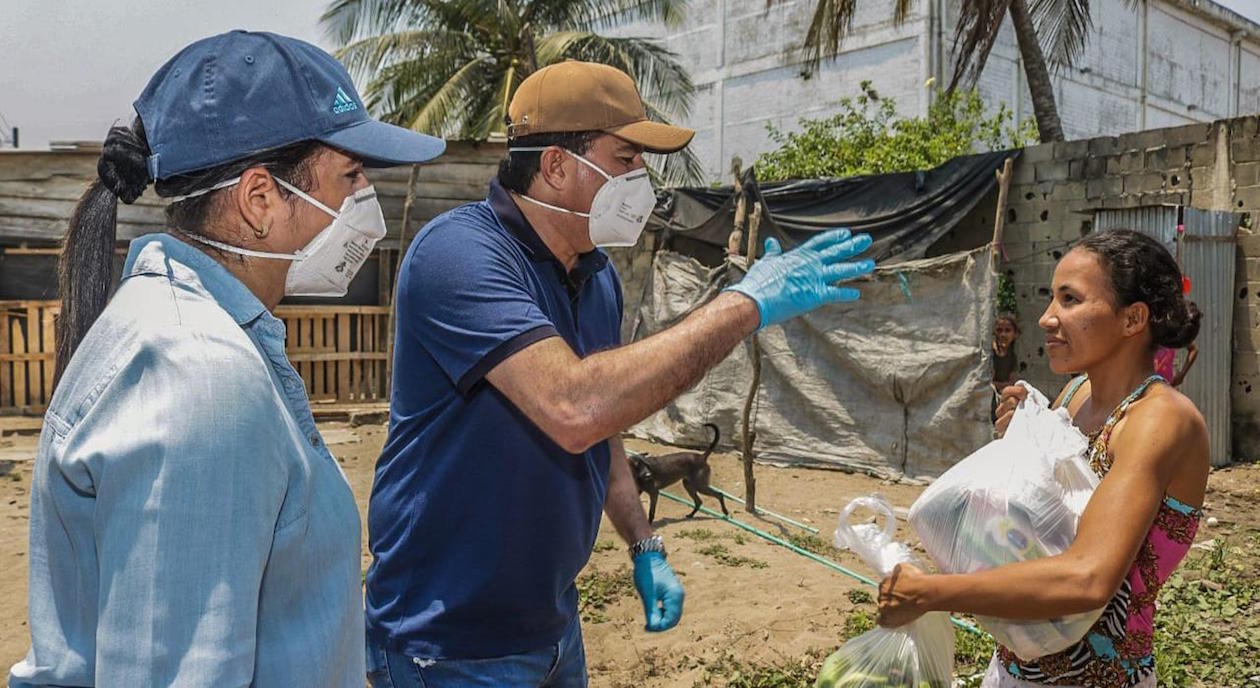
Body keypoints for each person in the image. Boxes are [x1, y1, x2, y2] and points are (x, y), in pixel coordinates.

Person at [366, 60, 876, 687]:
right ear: (556, 166)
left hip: (551, 623)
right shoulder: (459, 256)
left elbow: (604, 427)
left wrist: (643, 542)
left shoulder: (596, 275)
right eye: (627, 159)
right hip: (448, 641)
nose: (644, 181)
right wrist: (745, 305)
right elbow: (575, 407)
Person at [9, 31, 445, 687]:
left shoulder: (203, 336)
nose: (367, 205)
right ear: (260, 200)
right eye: (352, 177)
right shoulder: (199, 376)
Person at [876, 229, 1209, 688]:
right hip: (1016, 667)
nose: (1047, 318)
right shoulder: (1075, 394)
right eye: (1052, 299)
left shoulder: (1160, 420)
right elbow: (1034, 533)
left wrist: (932, 593)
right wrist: (1026, 443)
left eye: (1070, 300)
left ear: (1133, 318)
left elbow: (1087, 578)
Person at [991, 312, 1021, 421]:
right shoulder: (990, 353)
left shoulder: (1012, 355)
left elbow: (1012, 381)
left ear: (1015, 334)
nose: (1003, 335)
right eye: (999, 330)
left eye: (1007, 331)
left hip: (1003, 391)